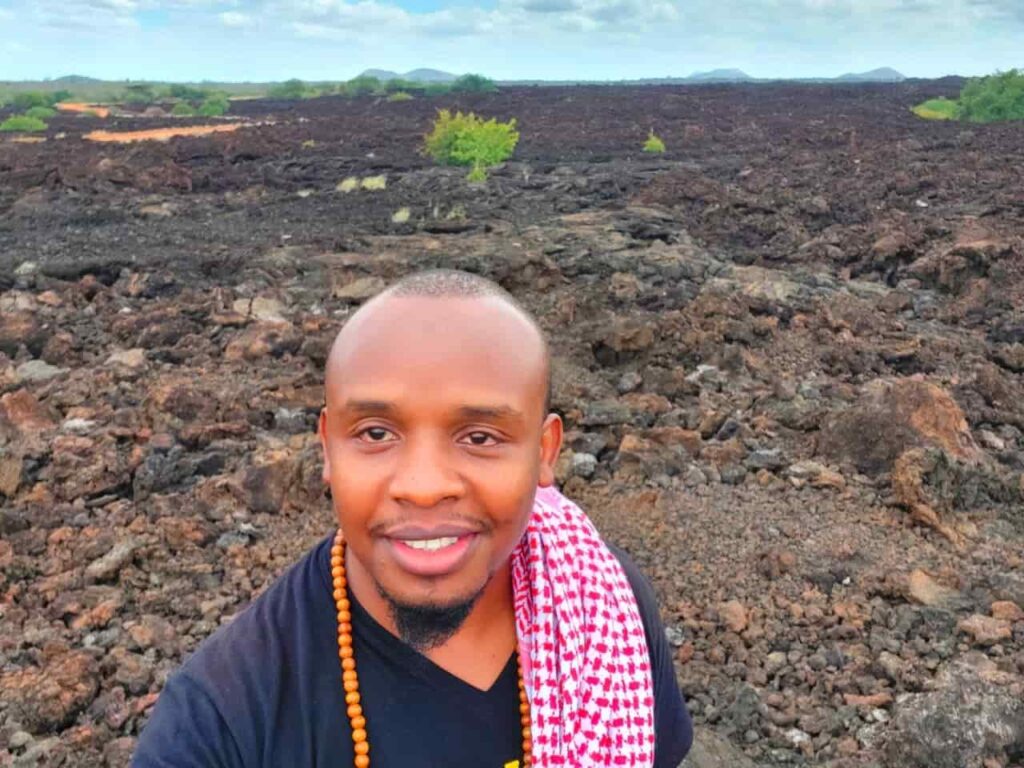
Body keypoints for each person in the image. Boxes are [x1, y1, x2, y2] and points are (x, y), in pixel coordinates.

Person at [132, 269, 693, 768]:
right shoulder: (222, 724)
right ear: (327, 448)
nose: (424, 488)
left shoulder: (605, 610)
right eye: (376, 434)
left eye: (479, 437)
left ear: (545, 453)